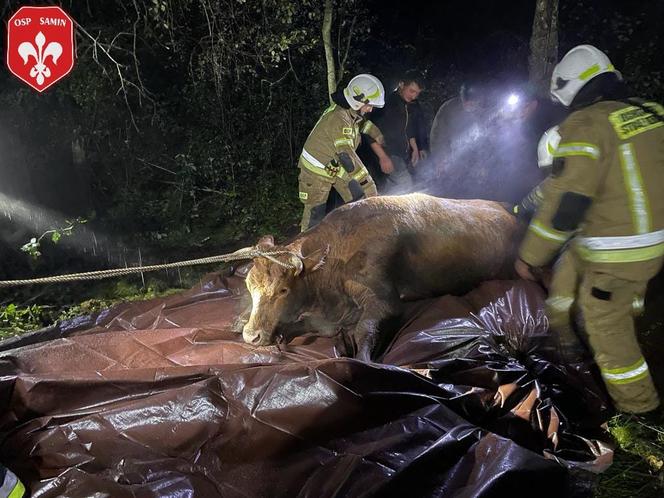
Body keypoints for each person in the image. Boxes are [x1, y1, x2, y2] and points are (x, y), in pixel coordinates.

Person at [515, 44, 664, 417]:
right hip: (651, 242)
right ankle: (566, 332)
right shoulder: (650, 113)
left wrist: (529, 256)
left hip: (617, 250)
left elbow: (567, 204)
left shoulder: (585, 125)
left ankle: (640, 413)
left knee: (607, 328)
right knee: (571, 279)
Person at [298, 74, 394, 231]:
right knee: (315, 216)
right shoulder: (339, 118)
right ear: (357, 99)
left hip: (334, 165)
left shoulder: (350, 111)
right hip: (316, 171)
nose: (370, 109)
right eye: (369, 105)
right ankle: (302, 252)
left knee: (360, 197)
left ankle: (357, 235)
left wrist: (377, 134)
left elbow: (361, 123)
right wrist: (368, 183)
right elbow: (346, 156)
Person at [370, 71, 427, 193]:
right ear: (401, 84)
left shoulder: (408, 104)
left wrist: (415, 148)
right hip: (388, 153)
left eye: (417, 93)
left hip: (401, 154)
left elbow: (409, 128)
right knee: (405, 184)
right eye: (412, 91)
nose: (414, 96)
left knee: (393, 188)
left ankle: (384, 208)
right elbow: (369, 132)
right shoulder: (386, 104)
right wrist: (383, 157)